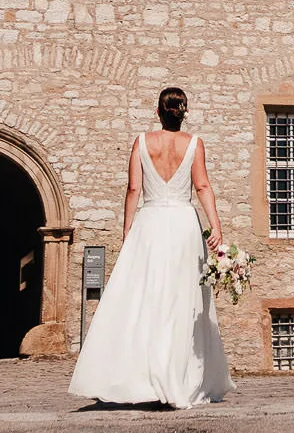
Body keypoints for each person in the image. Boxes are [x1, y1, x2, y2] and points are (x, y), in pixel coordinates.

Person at [69, 87, 234, 407]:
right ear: (184, 113)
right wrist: (216, 225)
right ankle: (180, 375)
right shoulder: (194, 144)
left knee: (145, 298)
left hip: (151, 224)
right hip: (184, 226)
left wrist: (128, 230)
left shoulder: (142, 142)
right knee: (182, 301)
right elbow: (202, 186)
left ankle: (142, 375)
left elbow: (133, 188)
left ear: (158, 112)